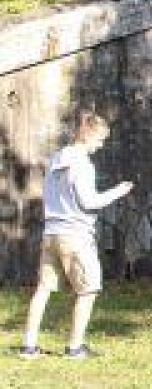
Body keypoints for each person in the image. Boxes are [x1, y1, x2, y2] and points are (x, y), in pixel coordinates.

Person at [19, 112, 134, 360]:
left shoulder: (57, 158)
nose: (101, 145)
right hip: (76, 235)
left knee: (43, 289)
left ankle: (28, 345)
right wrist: (117, 192)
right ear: (89, 134)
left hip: (52, 232)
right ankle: (75, 347)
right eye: (101, 139)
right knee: (88, 290)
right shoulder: (83, 164)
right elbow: (89, 201)